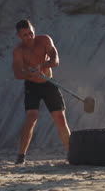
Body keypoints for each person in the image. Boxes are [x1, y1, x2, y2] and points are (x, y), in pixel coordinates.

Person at [12, 19, 71, 164]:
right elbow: (17, 73)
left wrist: (43, 65)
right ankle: (21, 156)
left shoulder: (44, 40)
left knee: (60, 118)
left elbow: (55, 60)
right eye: (25, 35)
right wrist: (29, 74)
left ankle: (71, 153)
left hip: (48, 83)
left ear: (34, 30)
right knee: (31, 117)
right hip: (32, 85)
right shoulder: (18, 51)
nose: (29, 37)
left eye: (30, 33)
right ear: (19, 36)